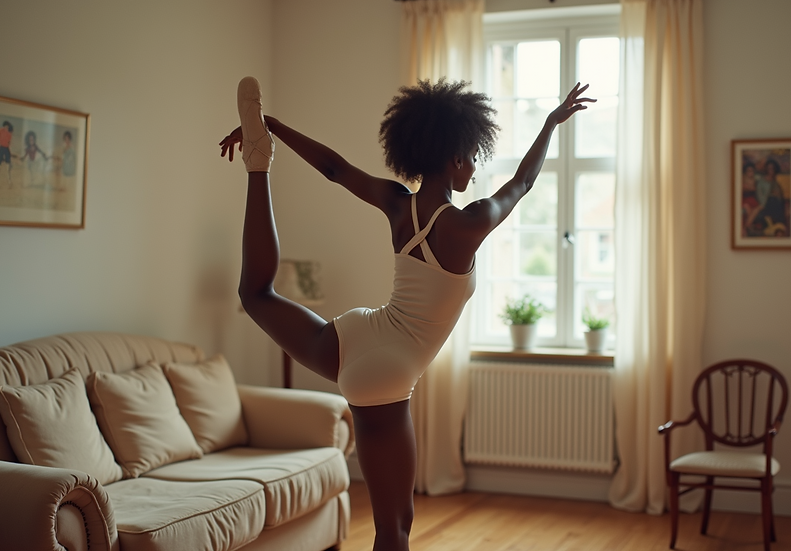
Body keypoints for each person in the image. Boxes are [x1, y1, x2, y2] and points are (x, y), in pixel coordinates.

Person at [219, 76, 594, 551]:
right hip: (388, 372)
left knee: (255, 295)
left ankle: (258, 166)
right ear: (455, 158)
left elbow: (335, 169)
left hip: (354, 336)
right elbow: (521, 183)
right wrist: (549, 124)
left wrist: (270, 127)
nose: (475, 169)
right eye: (473, 158)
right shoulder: (466, 222)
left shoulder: (398, 203)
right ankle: (260, 156)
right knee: (394, 529)